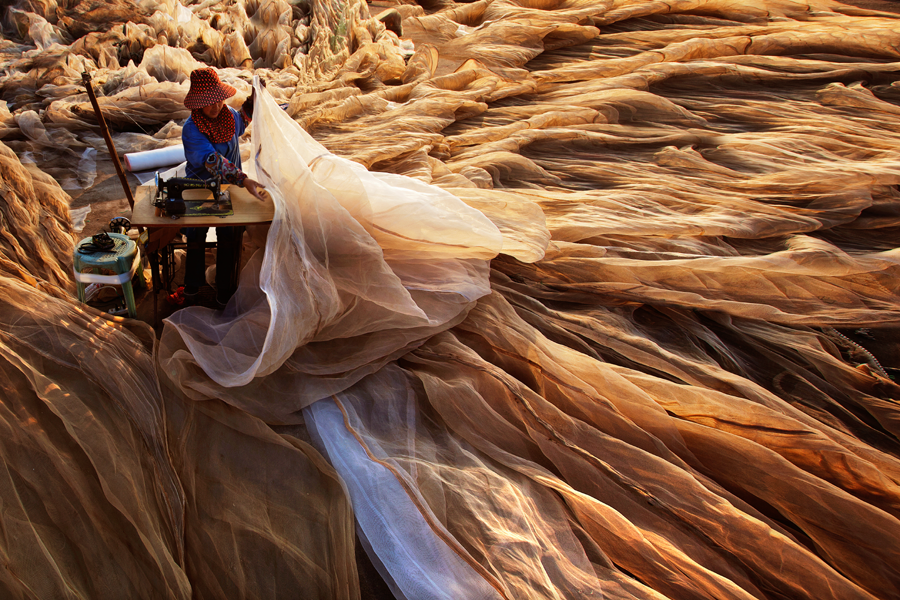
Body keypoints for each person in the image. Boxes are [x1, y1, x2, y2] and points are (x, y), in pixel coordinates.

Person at [179, 67, 266, 307]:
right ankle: (192, 288)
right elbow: (212, 161)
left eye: (219, 99)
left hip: (230, 188)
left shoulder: (229, 116)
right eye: (209, 102)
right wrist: (243, 179)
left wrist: (254, 100)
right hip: (201, 189)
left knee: (229, 237)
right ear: (198, 103)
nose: (216, 106)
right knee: (196, 237)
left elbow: (244, 119)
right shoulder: (191, 129)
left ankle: (224, 289)